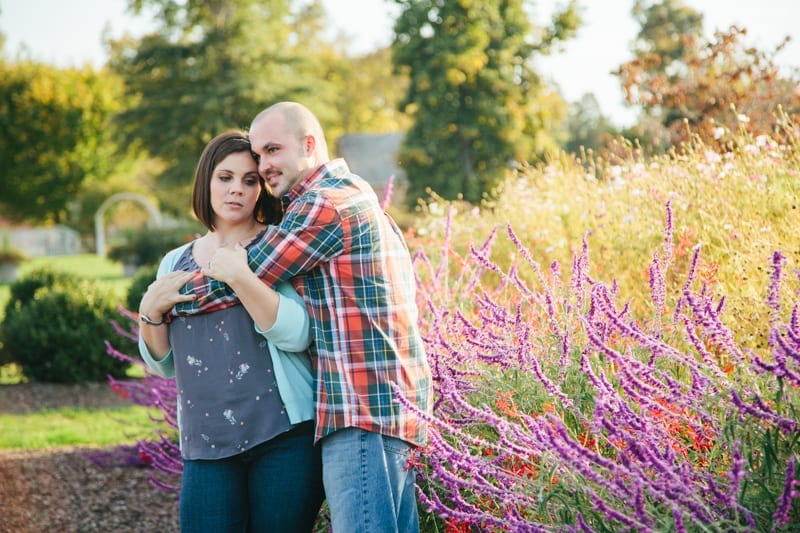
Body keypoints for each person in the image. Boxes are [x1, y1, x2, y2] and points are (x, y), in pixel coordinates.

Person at [175, 102, 432, 532]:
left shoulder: (323, 206)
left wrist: (167, 297)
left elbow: (240, 275)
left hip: (362, 408)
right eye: (259, 154)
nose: (265, 165)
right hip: (387, 407)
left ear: (309, 145)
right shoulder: (355, 192)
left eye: (274, 150)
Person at [137, 130, 324, 532]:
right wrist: (149, 312)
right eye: (225, 177)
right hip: (206, 443)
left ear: (262, 189)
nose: (236, 189)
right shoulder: (175, 261)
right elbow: (162, 364)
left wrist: (241, 277)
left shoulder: (277, 245)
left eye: (249, 180)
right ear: (206, 182)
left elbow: (298, 335)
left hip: (283, 436)